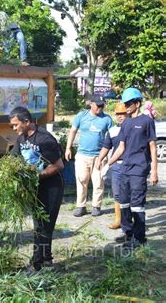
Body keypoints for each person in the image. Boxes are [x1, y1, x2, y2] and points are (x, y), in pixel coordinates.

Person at [10, 107, 64, 271]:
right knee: (39, 225)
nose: (14, 129)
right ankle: (46, 260)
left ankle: (37, 263)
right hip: (35, 188)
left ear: (27, 122)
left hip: (51, 187)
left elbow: (59, 165)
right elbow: (13, 159)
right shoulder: (22, 139)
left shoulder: (44, 139)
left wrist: (37, 175)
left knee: (44, 226)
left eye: (16, 124)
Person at [108, 87, 158, 249]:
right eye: (125, 103)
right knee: (123, 202)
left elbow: (153, 146)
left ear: (137, 104)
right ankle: (127, 233)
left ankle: (139, 238)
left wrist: (155, 172)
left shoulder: (147, 121)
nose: (126, 106)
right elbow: (121, 147)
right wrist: (107, 163)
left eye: (129, 103)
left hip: (139, 168)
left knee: (137, 203)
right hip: (125, 168)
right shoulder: (126, 123)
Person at [65, 95, 113, 217]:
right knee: (82, 180)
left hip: (99, 156)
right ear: (91, 104)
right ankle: (81, 206)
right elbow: (73, 131)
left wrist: (109, 156)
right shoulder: (81, 116)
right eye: (98, 105)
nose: (101, 108)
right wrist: (68, 148)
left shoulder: (107, 119)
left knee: (98, 182)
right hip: (82, 155)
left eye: (103, 105)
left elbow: (113, 136)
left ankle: (96, 206)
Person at [94, 102, 129, 230]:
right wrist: (99, 158)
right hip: (117, 165)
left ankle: (129, 220)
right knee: (117, 194)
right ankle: (118, 219)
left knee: (130, 194)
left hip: (131, 164)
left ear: (128, 113)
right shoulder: (113, 130)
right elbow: (106, 146)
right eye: (118, 114)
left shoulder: (133, 127)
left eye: (123, 114)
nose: (120, 116)